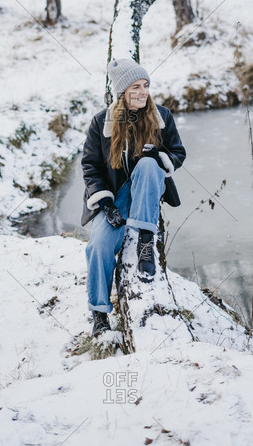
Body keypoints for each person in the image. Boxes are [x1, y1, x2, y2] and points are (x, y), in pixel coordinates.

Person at [80, 58, 186, 337]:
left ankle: (146, 242)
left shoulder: (161, 116)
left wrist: (159, 157)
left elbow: (178, 153)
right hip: (114, 195)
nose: (143, 92)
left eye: (146, 85)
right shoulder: (100, 122)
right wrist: (105, 203)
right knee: (99, 246)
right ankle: (100, 314)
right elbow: (90, 166)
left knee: (149, 165)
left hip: (147, 185)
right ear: (122, 92)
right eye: (136, 87)